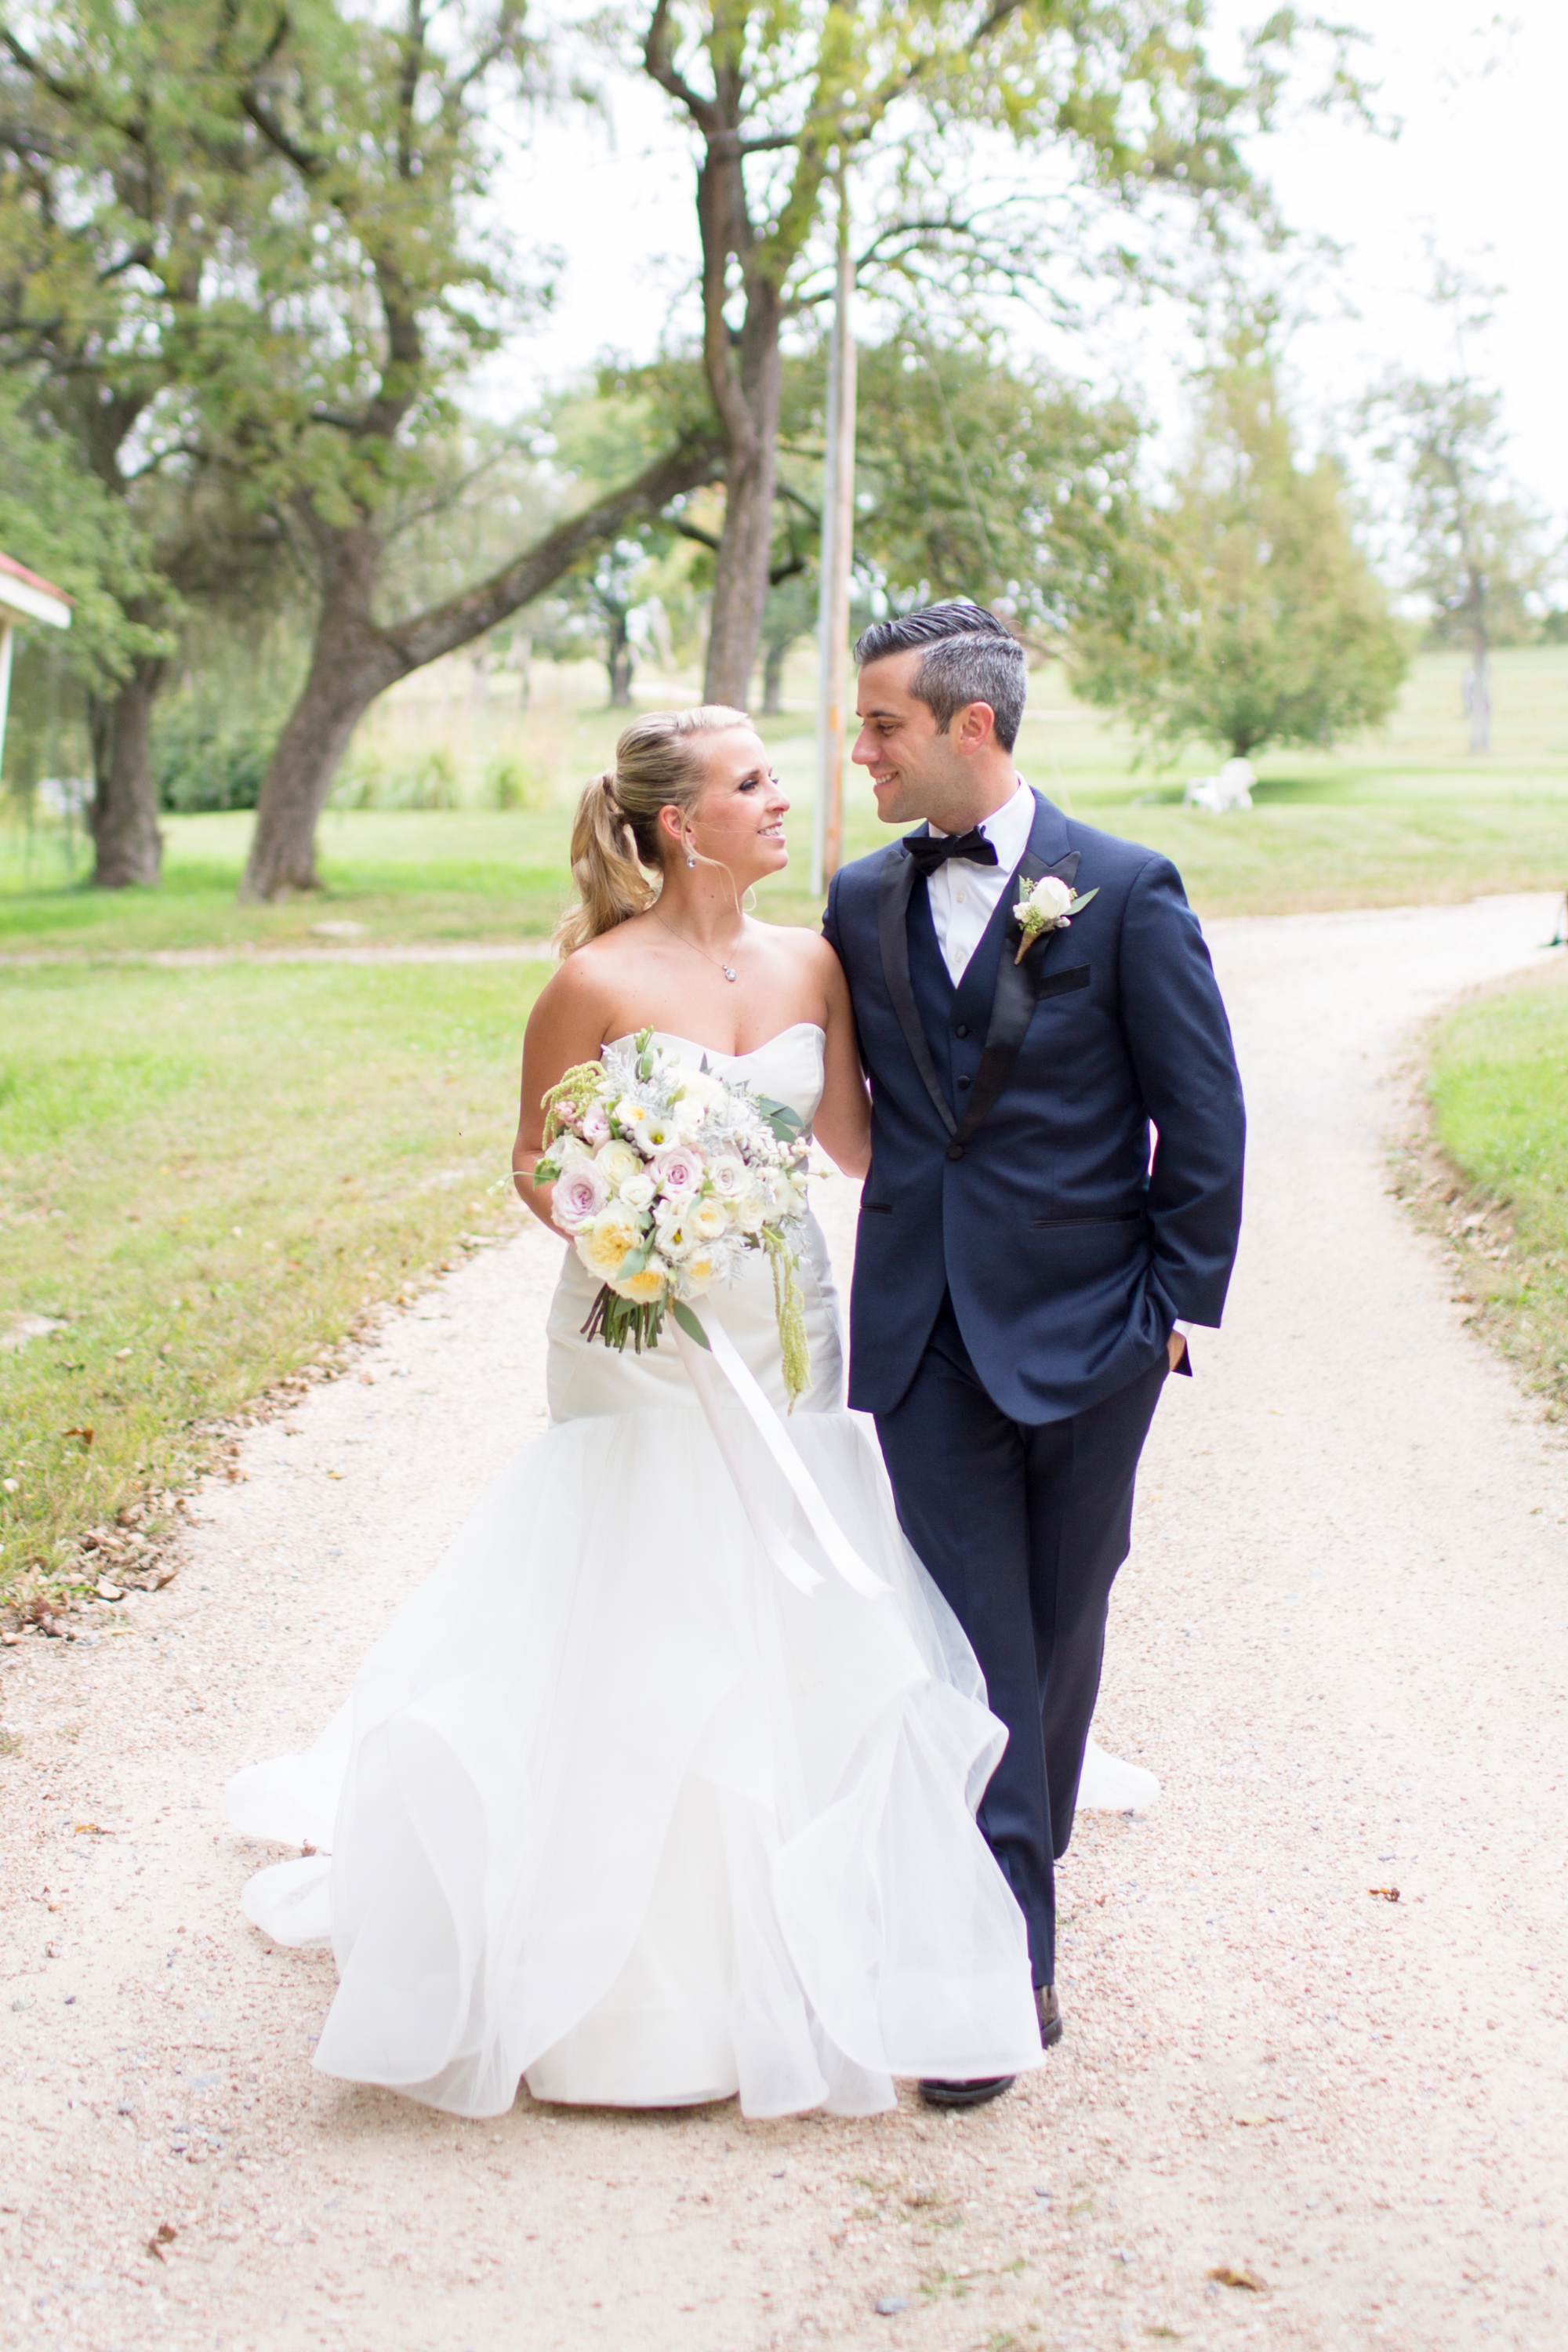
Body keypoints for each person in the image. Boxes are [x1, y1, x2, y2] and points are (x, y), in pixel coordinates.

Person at [226, 705, 1045, 2122]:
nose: (785, 800)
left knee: (789, 1577)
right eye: (753, 784)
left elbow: (847, 1141)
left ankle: (808, 1914)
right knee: (650, 1589)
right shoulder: (590, 983)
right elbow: (539, 1171)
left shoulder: (813, 961)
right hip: (640, 1334)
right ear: (681, 823)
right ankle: (630, 1978)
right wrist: (643, 1220)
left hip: (784, 1327)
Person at [823, 603, 1246, 2107]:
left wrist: (1172, 1311)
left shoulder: (1125, 890)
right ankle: (1005, 1961)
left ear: (970, 729)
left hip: (1093, 1330)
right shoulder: (857, 898)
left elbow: (1202, 1116)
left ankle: (1028, 1852)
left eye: (879, 725)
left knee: (1065, 1623)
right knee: (975, 1639)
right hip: (923, 1330)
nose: (857, 750)